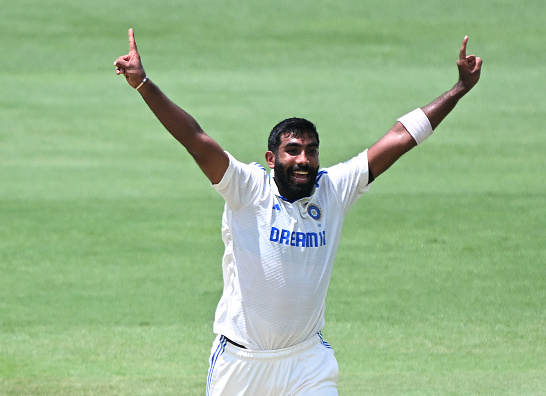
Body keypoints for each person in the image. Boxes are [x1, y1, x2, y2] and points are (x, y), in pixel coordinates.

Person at [114, 28, 482, 395]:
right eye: (293, 150)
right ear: (272, 158)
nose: (303, 159)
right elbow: (194, 138)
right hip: (242, 365)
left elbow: (401, 137)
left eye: (311, 150)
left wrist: (459, 89)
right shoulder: (247, 188)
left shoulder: (334, 189)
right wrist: (144, 83)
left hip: (307, 362)